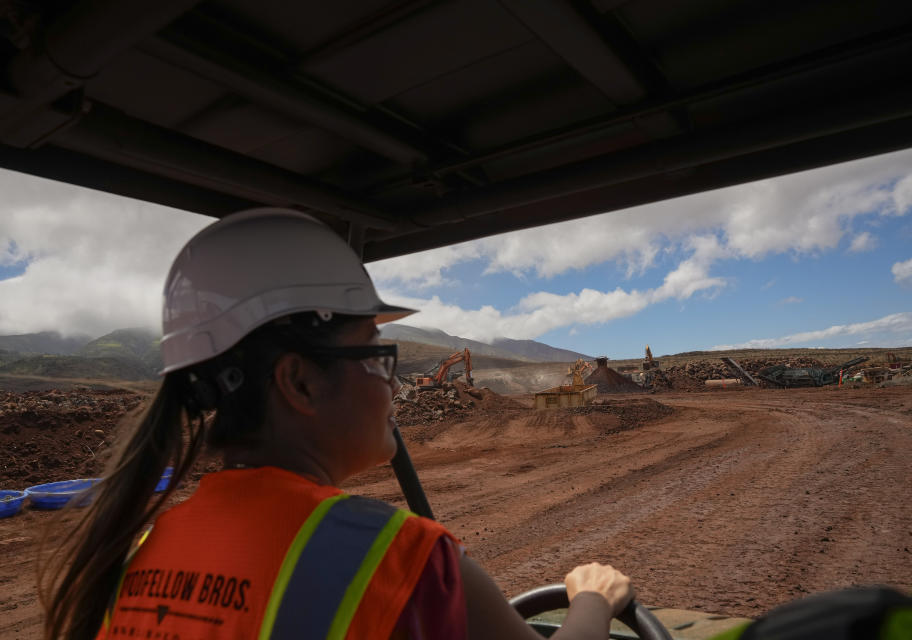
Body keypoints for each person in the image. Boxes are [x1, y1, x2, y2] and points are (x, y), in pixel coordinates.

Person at [42, 208, 634, 640]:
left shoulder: (143, 547)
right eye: (377, 357)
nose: (392, 385)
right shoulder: (397, 558)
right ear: (300, 382)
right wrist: (591, 601)